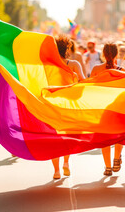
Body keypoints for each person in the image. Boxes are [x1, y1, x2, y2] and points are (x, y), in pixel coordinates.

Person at [52, 35, 85, 180]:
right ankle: (66, 162)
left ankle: (56, 171)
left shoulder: (49, 64)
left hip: (53, 103)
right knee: (67, 135)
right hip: (69, 104)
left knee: (54, 137)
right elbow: (84, 81)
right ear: (67, 49)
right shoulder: (74, 64)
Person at [91, 43, 124, 176]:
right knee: (119, 136)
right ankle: (117, 158)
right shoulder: (121, 70)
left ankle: (108, 167)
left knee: (104, 138)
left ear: (103, 54)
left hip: (101, 107)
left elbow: (90, 88)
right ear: (116, 54)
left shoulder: (96, 69)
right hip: (117, 107)